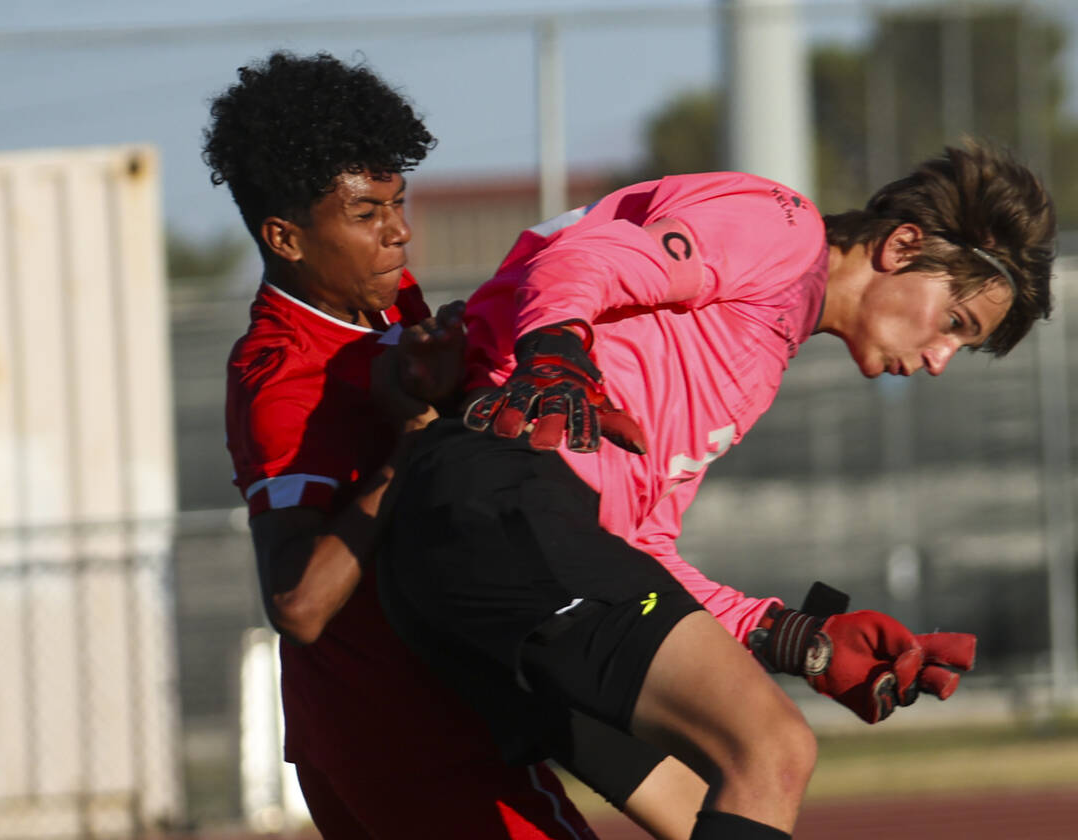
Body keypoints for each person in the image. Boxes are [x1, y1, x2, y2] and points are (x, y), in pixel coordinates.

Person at [376, 141, 1055, 840]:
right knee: (771, 750)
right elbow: (582, 259)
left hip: (496, 540)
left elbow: (635, 548)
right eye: (955, 323)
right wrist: (556, 354)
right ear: (903, 245)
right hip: (499, 501)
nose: (942, 359)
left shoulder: (755, 344)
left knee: (697, 799)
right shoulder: (782, 228)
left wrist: (787, 635)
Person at [204, 50, 706, 840]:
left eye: (399, 203)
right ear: (286, 237)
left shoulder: (384, 302)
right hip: (397, 729)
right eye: (367, 214)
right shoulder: (283, 378)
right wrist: (413, 441)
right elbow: (299, 604)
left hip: (423, 701)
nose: (400, 232)